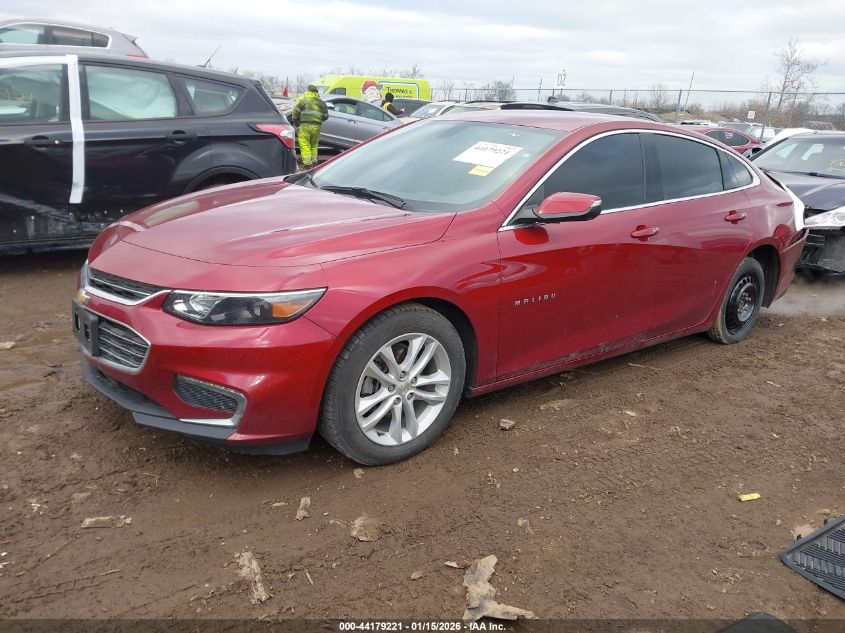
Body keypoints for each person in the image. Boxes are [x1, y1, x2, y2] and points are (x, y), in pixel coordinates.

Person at [289, 85, 329, 168]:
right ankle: (314, 162)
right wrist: (318, 121)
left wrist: (296, 122)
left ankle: (308, 164)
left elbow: (295, 112)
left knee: (305, 144)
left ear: (308, 90)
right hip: (317, 127)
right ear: (316, 92)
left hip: (305, 126)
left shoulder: (303, 99)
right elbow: (326, 116)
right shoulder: (321, 102)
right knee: (314, 145)